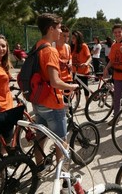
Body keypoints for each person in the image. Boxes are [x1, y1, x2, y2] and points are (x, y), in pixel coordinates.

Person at [33, 13, 78, 167]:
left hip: (39, 101)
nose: (60, 32)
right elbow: (55, 81)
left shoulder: (38, 45)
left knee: (40, 137)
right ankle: (62, 178)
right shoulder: (51, 51)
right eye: (58, 28)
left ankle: (39, 167)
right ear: (51, 28)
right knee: (62, 141)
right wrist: (71, 86)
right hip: (52, 102)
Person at [71, 30, 92, 103]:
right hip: (75, 71)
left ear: (78, 38)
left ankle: (87, 103)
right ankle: (77, 101)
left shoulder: (83, 46)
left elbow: (90, 57)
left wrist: (86, 63)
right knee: (76, 88)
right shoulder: (72, 47)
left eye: (74, 38)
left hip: (83, 71)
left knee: (85, 88)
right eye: (72, 38)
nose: (72, 39)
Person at [54, 25, 73, 104]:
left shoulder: (67, 47)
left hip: (67, 77)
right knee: (57, 101)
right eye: (64, 36)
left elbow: (70, 58)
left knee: (68, 101)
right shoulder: (53, 45)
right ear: (59, 35)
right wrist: (59, 61)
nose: (66, 38)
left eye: (67, 36)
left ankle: (69, 115)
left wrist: (70, 63)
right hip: (57, 78)